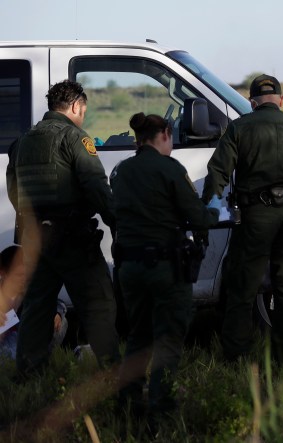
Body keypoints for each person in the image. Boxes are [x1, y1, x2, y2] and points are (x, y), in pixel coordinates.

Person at [202, 74, 283, 366]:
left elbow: (217, 173)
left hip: (255, 216)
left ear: (252, 102)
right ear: (281, 100)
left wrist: (209, 212)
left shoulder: (239, 129)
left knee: (243, 287)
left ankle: (236, 356)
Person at [111, 113, 220, 423]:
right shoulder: (169, 169)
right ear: (165, 135)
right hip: (164, 267)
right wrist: (213, 210)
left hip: (129, 268)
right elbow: (197, 217)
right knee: (168, 339)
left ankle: (128, 405)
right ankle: (162, 411)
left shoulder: (120, 171)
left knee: (138, 337)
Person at [6, 79, 119, 375]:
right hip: (73, 239)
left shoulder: (22, 142)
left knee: (36, 310)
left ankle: (28, 375)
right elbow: (96, 187)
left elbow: (13, 190)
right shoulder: (74, 138)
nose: (83, 117)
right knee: (99, 304)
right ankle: (113, 374)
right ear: (75, 106)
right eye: (83, 110)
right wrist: (118, 223)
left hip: (34, 240)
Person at [0, 245, 67, 360]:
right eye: (19, 275)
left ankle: (40, 360)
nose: (24, 279)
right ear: (3, 273)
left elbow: (57, 302)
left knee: (62, 321)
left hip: (29, 342)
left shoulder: (31, 290)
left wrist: (57, 314)